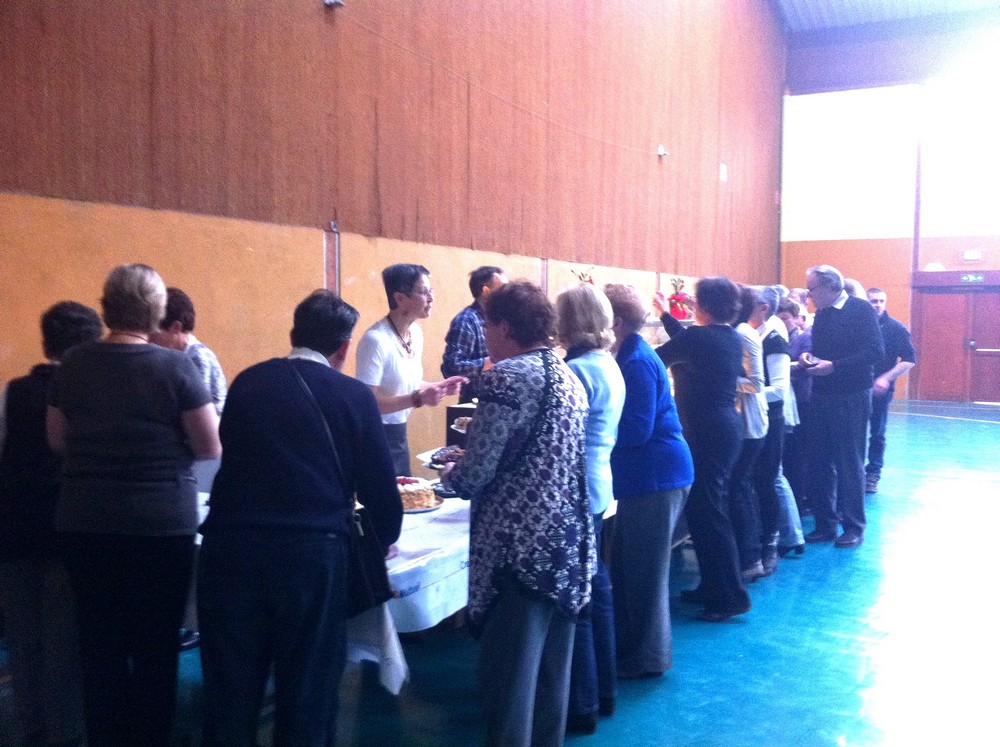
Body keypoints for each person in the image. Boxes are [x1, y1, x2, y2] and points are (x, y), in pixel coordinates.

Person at [197, 289, 402, 746]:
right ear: (344, 347)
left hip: (229, 550)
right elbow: (381, 496)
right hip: (310, 557)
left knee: (230, 690)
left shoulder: (248, 382)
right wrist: (382, 540)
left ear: (294, 333)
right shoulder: (353, 396)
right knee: (307, 690)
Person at [46, 264, 221, 747]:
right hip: (160, 524)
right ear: (157, 312)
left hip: (86, 520)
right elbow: (210, 446)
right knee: (155, 644)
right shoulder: (177, 367)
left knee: (98, 642)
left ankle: (106, 736)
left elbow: (57, 441)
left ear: (105, 307)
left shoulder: (75, 364)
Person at [442, 281, 594, 747]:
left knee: (510, 687)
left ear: (505, 326)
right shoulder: (569, 374)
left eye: (487, 323)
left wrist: (452, 470)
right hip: (567, 543)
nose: (485, 332)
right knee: (550, 683)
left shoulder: (506, 378)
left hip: (518, 551)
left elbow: (476, 474)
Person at [0, 301, 102, 747]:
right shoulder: (90, 395)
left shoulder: (12, 391)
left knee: (22, 637)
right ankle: (66, 733)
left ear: (46, 341)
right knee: (63, 639)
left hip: (14, 525)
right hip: (66, 525)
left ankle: (26, 728)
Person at [604, 285, 693, 674]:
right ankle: (637, 652)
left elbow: (637, 430)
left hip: (657, 477)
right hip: (649, 478)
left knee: (645, 574)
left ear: (616, 323)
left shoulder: (637, 361)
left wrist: (593, 436)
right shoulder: (630, 355)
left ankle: (648, 658)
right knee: (634, 569)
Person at [654, 277, 750, 622]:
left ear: (702, 305)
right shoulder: (727, 335)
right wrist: (665, 316)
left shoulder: (701, 336)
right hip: (723, 428)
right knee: (704, 510)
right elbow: (687, 342)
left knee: (709, 513)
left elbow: (655, 359)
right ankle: (714, 586)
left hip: (708, 431)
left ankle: (729, 598)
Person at [555, 284, 625, 735]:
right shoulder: (607, 364)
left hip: (576, 487)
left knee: (577, 598)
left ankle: (580, 703)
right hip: (598, 484)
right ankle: (603, 690)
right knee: (596, 587)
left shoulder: (577, 370)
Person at [801, 265, 883, 549]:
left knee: (849, 461)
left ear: (829, 287)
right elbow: (825, 352)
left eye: (811, 289)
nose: (808, 295)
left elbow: (875, 352)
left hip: (851, 396)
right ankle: (825, 524)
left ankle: (854, 527)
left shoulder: (860, 310)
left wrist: (833, 366)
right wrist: (810, 358)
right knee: (820, 461)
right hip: (822, 395)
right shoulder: (822, 315)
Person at [355, 263, 466, 476]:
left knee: (406, 499)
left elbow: (408, 384)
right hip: (375, 437)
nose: (431, 298)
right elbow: (366, 404)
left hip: (399, 433)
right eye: (424, 292)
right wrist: (418, 399)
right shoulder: (376, 340)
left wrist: (437, 387)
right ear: (400, 299)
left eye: (430, 291)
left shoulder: (415, 333)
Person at [747, 286, 792, 575]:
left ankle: (770, 545)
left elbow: (779, 390)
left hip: (769, 421)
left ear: (764, 308)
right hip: (749, 419)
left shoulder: (774, 341)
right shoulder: (745, 334)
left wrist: (742, 392)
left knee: (765, 482)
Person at [727, 286, 769, 583]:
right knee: (740, 488)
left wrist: (721, 379)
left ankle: (750, 557)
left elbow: (755, 382)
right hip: (745, 421)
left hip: (749, 423)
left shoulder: (742, 333)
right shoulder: (740, 330)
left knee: (738, 489)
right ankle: (749, 555)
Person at [864, 287, 916, 494]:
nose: (877, 305)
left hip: (880, 392)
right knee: (854, 434)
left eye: (880, 301)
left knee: (877, 433)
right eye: (873, 301)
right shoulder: (858, 327)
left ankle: (873, 473)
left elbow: (910, 360)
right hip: (855, 388)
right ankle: (852, 473)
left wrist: (885, 378)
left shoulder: (896, 328)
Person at [150, 287, 227, 413]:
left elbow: (199, 408)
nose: (149, 338)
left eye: (154, 331)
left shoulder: (198, 357)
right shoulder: (173, 356)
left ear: (176, 328)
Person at [441, 265, 507, 403]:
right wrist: (489, 362)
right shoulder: (467, 321)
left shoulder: (501, 319)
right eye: (502, 289)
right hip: (475, 403)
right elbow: (452, 367)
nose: (507, 294)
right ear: (486, 291)